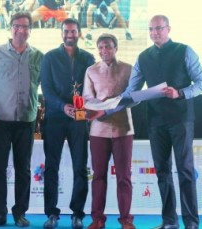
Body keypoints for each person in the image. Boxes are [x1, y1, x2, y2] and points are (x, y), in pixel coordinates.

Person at [87, 15, 202, 229]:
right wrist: (104, 112)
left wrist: (180, 92)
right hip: (156, 122)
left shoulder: (185, 51)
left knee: (185, 171)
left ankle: (191, 222)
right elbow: (130, 93)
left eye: (159, 29)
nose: (154, 33)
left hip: (181, 120)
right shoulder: (143, 57)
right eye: (151, 29)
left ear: (168, 28)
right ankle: (170, 221)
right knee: (162, 172)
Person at [0, 11, 43, 228]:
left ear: (30, 30)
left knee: (23, 169)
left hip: (26, 120)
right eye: (17, 25)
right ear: (10, 27)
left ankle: (20, 214)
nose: (21, 30)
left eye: (26, 26)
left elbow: (46, 88)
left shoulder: (38, 56)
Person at [40, 18, 95, 229]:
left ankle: (77, 214)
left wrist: (83, 108)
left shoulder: (88, 58)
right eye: (66, 31)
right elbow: (46, 88)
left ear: (79, 33)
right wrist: (63, 107)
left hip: (79, 120)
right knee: (51, 167)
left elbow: (92, 88)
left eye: (73, 31)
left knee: (80, 167)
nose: (69, 34)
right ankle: (51, 213)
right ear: (61, 33)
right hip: (55, 117)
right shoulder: (50, 57)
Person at [83, 33, 135, 229]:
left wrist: (112, 105)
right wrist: (100, 107)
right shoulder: (91, 70)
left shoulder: (128, 69)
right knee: (98, 176)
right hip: (98, 129)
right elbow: (87, 97)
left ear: (116, 48)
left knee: (124, 177)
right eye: (101, 47)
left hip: (123, 129)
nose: (104, 50)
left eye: (108, 47)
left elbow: (133, 98)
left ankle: (126, 220)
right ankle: (97, 219)